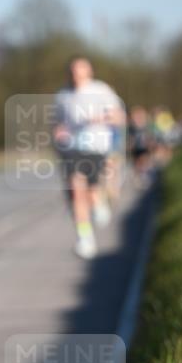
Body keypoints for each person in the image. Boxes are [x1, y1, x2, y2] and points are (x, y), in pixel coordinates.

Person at [53, 57, 124, 259]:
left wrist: (99, 119)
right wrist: (58, 132)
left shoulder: (101, 90)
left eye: (80, 70)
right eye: (73, 70)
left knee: (91, 192)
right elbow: (58, 122)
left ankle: (99, 203)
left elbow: (119, 117)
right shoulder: (63, 95)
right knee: (76, 190)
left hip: (96, 146)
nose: (76, 74)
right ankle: (85, 239)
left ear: (89, 72)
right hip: (72, 148)